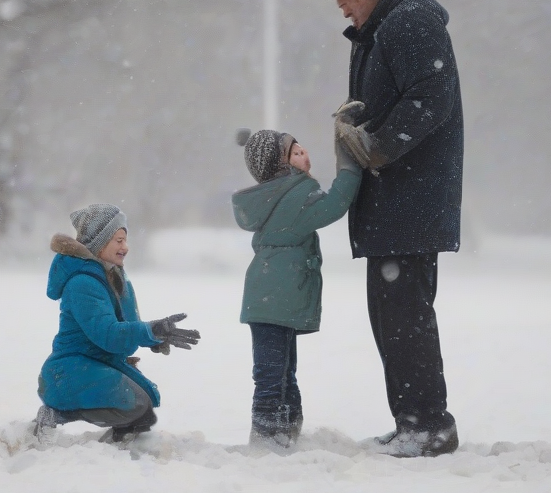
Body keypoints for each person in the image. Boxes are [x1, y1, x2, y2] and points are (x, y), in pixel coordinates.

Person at [326, 0, 462, 457]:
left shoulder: (408, 23)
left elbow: (433, 96)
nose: (340, 8)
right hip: (397, 200)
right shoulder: (387, 26)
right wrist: (358, 123)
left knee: (403, 319)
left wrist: (377, 145)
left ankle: (428, 425)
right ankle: (414, 421)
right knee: (393, 318)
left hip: (408, 200)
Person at [232, 129, 361, 448]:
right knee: (273, 371)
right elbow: (336, 203)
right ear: (280, 166)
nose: (304, 152)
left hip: (268, 298)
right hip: (276, 297)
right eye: (294, 152)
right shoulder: (293, 198)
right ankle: (267, 432)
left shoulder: (276, 197)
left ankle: (285, 427)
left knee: (279, 367)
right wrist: (351, 163)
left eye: (301, 147)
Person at [34, 203, 200, 445]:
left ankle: (115, 450)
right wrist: (149, 330)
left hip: (93, 364)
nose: (125, 247)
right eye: (118, 240)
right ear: (99, 242)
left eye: (125, 240)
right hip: (68, 372)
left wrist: (156, 337)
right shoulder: (83, 283)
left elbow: (125, 329)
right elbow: (108, 334)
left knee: (144, 408)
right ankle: (56, 412)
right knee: (135, 404)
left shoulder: (114, 277)